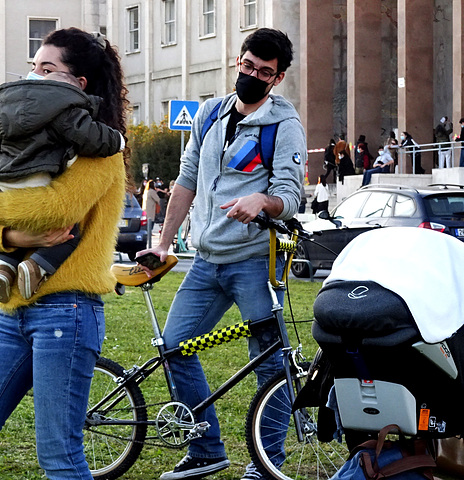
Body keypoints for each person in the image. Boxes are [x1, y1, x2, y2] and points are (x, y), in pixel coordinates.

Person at [0, 28, 128, 480]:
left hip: (68, 312)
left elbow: (57, 210)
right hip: (12, 313)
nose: (33, 77)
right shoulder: (24, 145)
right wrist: (14, 238)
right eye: (33, 67)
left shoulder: (98, 149)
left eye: (48, 69)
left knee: (59, 457)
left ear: (78, 84)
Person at [137, 28, 305, 480]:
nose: (252, 76)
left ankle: (266, 465)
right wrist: (164, 242)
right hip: (207, 261)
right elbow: (186, 180)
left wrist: (263, 201)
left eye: (264, 73)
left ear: (279, 78)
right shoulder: (210, 113)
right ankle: (207, 448)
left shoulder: (284, 126)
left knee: (271, 363)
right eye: (248, 66)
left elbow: (291, 196)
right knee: (174, 346)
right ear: (238, 61)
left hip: (255, 261)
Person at [0, 69, 123, 302]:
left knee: (18, 219)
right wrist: (118, 140)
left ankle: (4, 267)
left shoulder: (8, 108)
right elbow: (58, 212)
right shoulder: (65, 107)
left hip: (3, 177)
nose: (33, 74)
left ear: (82, 79)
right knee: (69, 232)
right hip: (38, 176)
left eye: (44, 68)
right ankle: (38, 266)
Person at [144, 179, 161, 248]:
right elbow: (158, 199)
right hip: (151, 209)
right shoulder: (152, 191)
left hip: (145, 209)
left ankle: (148, 232)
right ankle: (149, 232)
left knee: (147, 221)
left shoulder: (146, 191)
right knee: (151, 221)